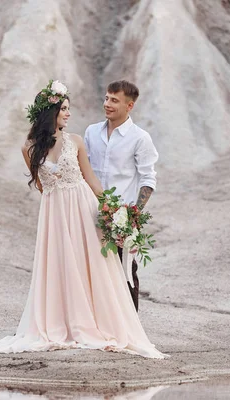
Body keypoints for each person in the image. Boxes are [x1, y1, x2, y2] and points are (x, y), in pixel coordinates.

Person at [0, 80, 167, 359]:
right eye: (64, 109)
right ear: (50, 112)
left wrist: (118, 211)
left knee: (108, 269)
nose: (69, 113)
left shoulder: (83, 141)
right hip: (55, 213)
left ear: (129, 105)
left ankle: (122, 325)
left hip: (89, 208)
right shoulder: (36, 146)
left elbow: (92, 178)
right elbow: (39, 184)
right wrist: (58, 192)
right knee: (63, 267)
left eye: (113, 100)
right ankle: (68, 323)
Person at [83, 80, 159, 312]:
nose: (107, 104)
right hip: (88, 212)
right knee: (90, 271)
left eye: (114, 100)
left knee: (125, 273)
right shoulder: (91, 132)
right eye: (106, 98)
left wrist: (132, 216)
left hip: (120, 217)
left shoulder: (140, 138)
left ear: (129, 106)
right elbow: (82, 170)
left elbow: (148, 179)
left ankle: (130, 329)